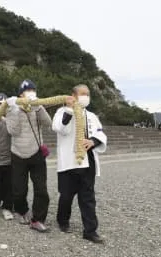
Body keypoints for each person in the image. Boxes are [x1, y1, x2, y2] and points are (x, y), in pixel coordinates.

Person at [52, 84, 107, 243]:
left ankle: (90, 230)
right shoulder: (61, 112)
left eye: (88, 94)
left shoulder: (91, 115)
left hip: (88, 161)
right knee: (66, 196)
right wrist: (69, 110)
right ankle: (62, 221)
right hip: (69, 162)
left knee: (88, 197)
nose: (86, 97)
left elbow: (100, 133)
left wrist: (93, 142)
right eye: (82, 94)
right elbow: (59, 128)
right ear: (73, 95)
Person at [5, 79, 52, 232]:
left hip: (36, 151)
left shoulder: (38, 106)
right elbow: (13, 131)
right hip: (18, 153)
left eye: (33, 90)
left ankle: (38, 219)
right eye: (27, 91)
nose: (30, 93)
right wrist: (15, 110)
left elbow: (48, 123)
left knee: (41, 189)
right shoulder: (12, 108)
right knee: (19, 189)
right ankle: (22, 210)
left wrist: (38, 107)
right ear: (20, 94)